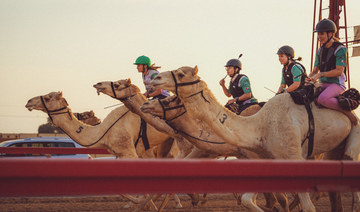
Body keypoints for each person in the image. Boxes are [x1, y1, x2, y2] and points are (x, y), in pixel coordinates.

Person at [308, 19, 357, 125]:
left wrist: (321, 74)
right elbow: (315, 70)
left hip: (336, 84)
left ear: (330, 33)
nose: (319, 37)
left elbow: (339, 71)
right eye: (318, 34)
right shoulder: (320, 50)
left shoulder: (340, 49)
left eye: (321, 34)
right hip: (323, 83)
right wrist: (309, 78)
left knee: (322, 99)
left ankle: (346, 111)